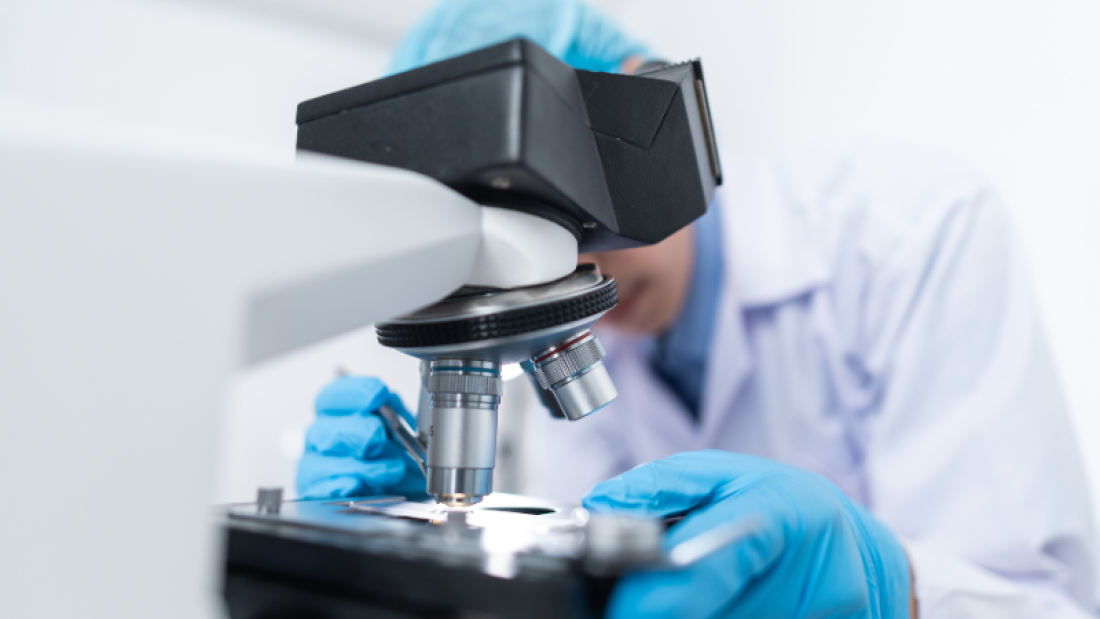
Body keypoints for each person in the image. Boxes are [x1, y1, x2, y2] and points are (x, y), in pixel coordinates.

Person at [296, 1, 1098, 617]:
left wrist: (885, 582)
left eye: (583, 247)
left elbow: (1043, 599)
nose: (582, 291)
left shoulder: (912, 232)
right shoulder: (579, 324)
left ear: (647, 133)